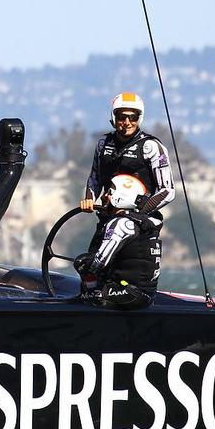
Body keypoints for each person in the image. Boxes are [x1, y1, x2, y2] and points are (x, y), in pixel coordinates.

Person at [79, 93, 174, 226]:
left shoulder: (151, 147)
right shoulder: (103, 143)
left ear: (139, 119)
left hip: (139, 224)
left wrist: (139, 212)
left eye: (133, 117)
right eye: (122, 117)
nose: (127, 123)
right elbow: (95, 178)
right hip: (107, 219)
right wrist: (89, 199)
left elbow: (168, 190)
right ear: (114, 117)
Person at [74, 173, 161, 310]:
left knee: (82, 263)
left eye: (109, 192)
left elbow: (99, 262)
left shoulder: (120, 223)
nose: (103, 197)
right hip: (146, 295)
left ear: (120, 196)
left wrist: (86, 269)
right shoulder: (141, 222)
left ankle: (88, 305)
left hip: (129, 294)